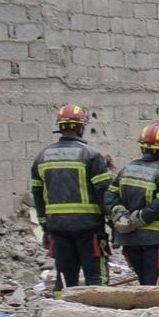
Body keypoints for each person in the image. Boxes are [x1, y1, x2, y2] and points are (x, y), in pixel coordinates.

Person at [30, 104, 114, 297]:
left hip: (58, 228)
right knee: (96, 278)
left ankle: (61, 310)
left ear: (60, 127)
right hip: (89, 228)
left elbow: (38, 196)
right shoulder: (91, 155)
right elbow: (104, 193)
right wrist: (113, 222)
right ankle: (99, 311)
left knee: (64, 279)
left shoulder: (42, 157)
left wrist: (45, 228)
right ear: (81, 127)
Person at [109, 125, 159, 285]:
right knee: (158, 285)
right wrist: (138, 219)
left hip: (130, 240)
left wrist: (121, 216)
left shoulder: (126, 170)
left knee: (143, 282)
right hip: (155, 240)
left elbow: (110, 195)